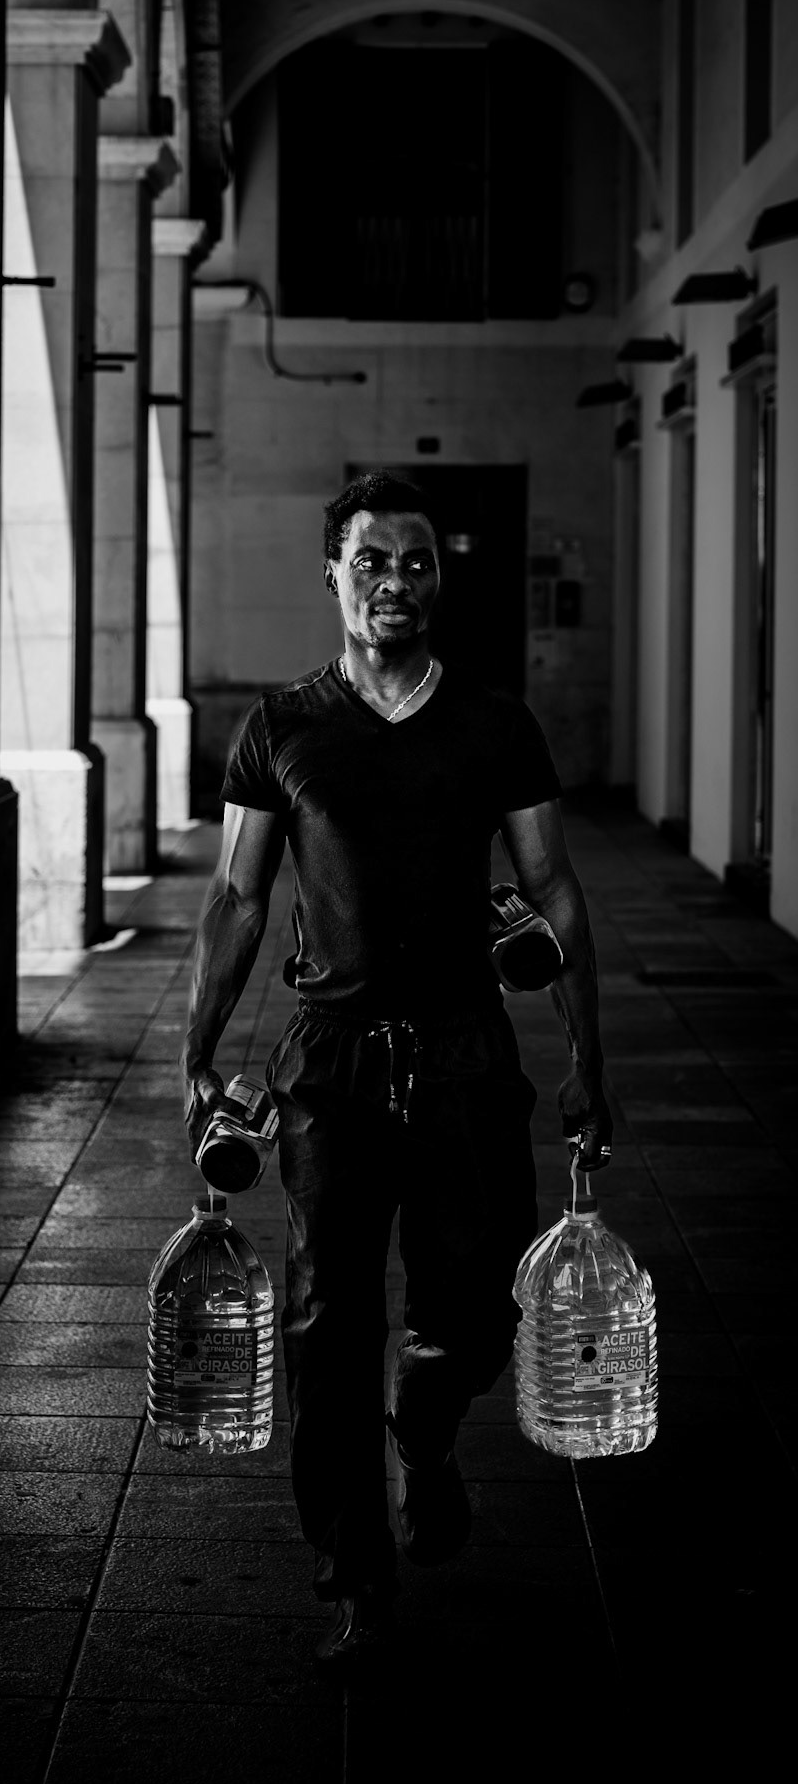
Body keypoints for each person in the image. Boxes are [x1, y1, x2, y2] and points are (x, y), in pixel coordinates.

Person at [181, 472, 612, 1662]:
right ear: (333, 575)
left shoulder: (492, 724)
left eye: (414, 563)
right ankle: (353, 1576)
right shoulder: (282, 727)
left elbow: (553, 885)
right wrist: (197, 1046)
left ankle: (420, 1430)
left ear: (439, 579)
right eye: (370, 562)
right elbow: (236, 893)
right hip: (327, 1063)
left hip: (468, 1052)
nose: (393, 584)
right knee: (325, 1324)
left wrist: (588, 1051)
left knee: (474, 1310)